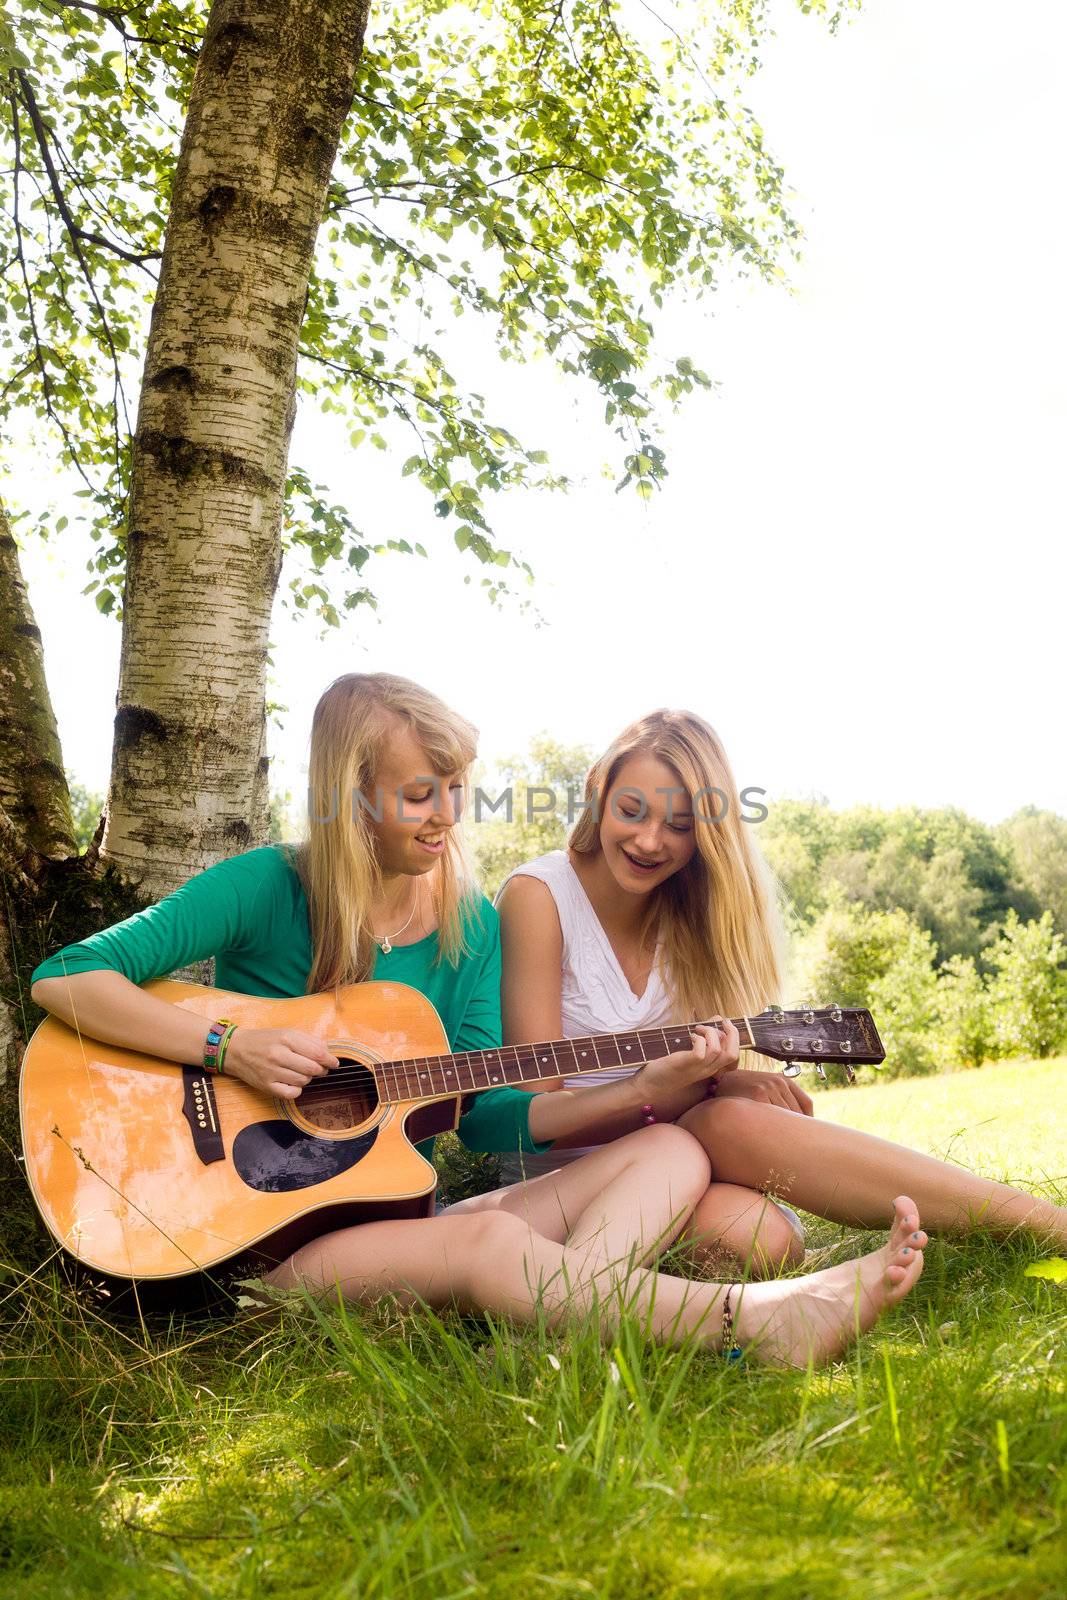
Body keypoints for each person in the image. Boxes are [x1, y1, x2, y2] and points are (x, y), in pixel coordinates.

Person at [30, 674, 929, 1368]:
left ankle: (566, 1323)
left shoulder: (468, 925)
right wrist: (232, 1045)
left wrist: (645, 1091)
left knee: (673, 1149)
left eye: (456, 788)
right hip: (264, 1248)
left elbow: (492, 1108)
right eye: (423, 792)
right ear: (352, 794)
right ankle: (755, 1328)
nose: (449, 815)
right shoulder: (265, 889)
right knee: (486, 1239)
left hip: (400, 1220)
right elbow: (67, 977)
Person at [496, 708, 1067, 1271]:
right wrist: (683, 1094)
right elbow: (535, 1116)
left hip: (677, 1159)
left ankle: (1025, 1226)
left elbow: (688, 1086)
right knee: (729, 1126)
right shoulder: (539, 896)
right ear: (598, 792)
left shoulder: (696, 913)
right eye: (631, 811)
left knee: (765, 1241)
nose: (650, 841)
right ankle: (1044, 1223)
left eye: (679, 826)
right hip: (563, 1176)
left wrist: (719, 1082)